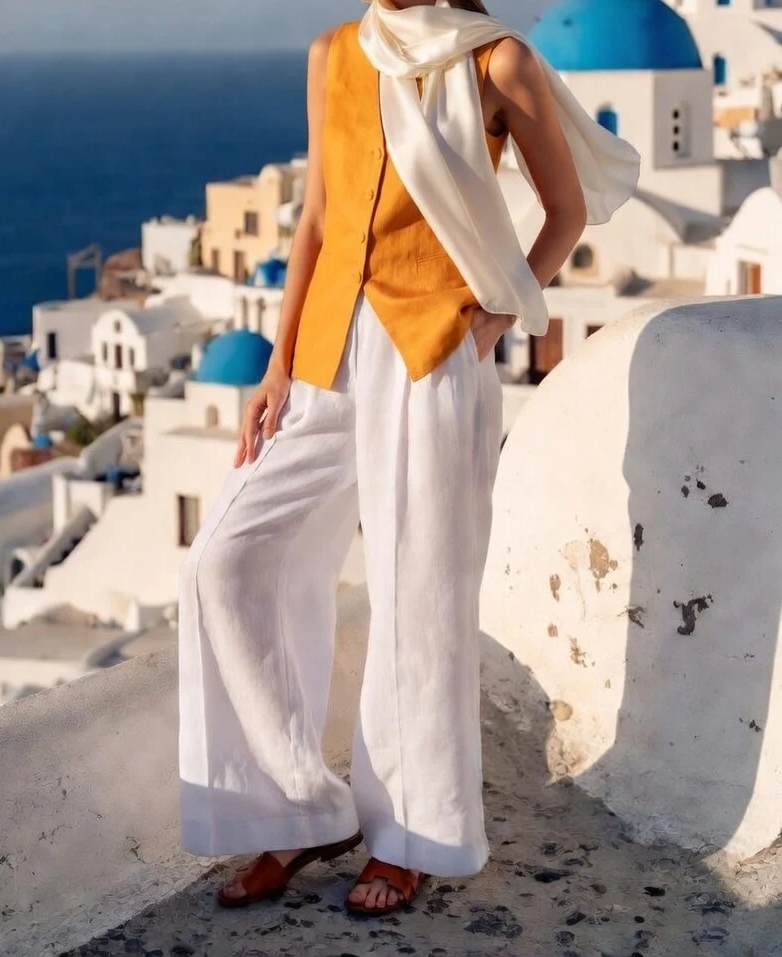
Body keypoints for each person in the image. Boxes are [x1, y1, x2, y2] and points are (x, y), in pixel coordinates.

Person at [177, 0, 639, 917]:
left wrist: (497, 317)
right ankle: (300, 807)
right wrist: (275, 363)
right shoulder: (333, 53)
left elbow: (567, 210)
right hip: (322, 357)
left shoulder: (499, 62)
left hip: (432, 355)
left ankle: (411, 836)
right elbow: (316, 216)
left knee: (417, 596)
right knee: (224, 562)